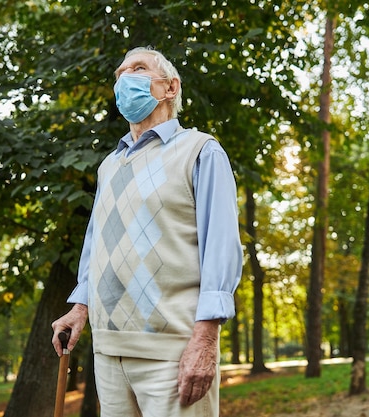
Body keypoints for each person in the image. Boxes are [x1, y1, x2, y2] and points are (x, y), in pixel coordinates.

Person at [51, 46, 243, 417]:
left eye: (138, 68)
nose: (125, 77)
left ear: (170, 88)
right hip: (107, 352)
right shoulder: (109, 165)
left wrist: (205, 340)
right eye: (120, 73)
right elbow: (97, 245)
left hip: (173, 352)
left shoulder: (200, 151)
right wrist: (79, 308)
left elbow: (221, 247)